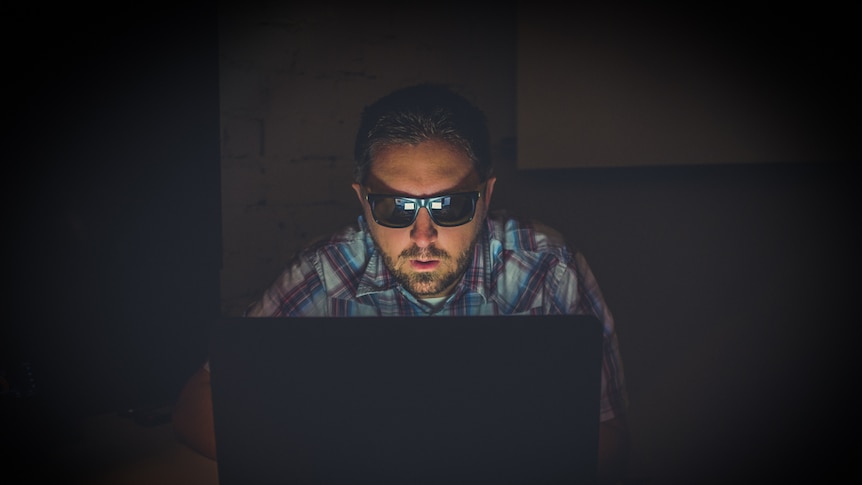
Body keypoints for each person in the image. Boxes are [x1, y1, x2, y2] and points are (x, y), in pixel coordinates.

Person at [173, 83, 630, 483]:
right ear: (364, 202)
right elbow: (197, 404)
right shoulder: (324, 272)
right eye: (395, 208)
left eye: (450, 205)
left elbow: (606, 433)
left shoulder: (551, 268)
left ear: (487, 196)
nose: (423, 236)